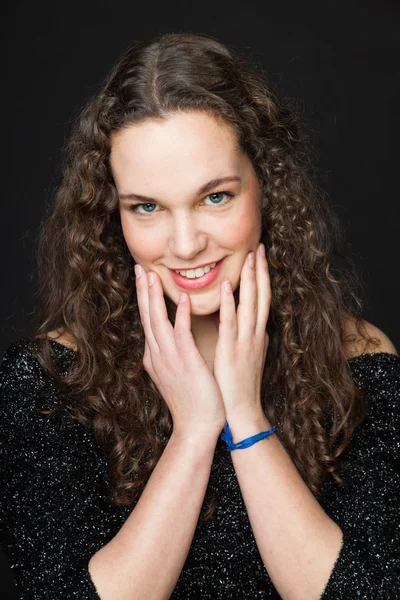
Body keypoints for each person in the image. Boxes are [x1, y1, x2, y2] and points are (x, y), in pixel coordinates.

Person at [0, 31, 399, 600]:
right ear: (113, 213)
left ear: (266, 186)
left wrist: (244, 414)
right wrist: (192, 433)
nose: (185, 245)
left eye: (216, 197)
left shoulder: (360, 366)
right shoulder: (47, 381)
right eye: (147, 207)